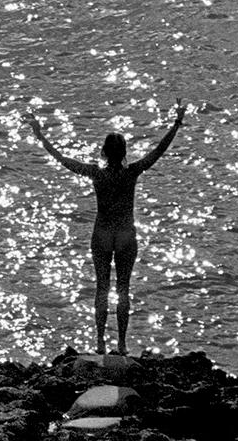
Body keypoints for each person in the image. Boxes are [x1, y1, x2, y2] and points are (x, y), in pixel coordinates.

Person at [24, 100, 187, 356]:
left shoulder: (95, 174)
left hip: (102, 233)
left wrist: (39, 134)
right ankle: (121, 344)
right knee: (123, 288)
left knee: (102, 288)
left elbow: (62, 159)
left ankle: (100, 342)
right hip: (124, 234)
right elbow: (158, 151)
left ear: (103, 151)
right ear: (123, 152)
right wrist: (177, 122)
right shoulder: (132, 172)